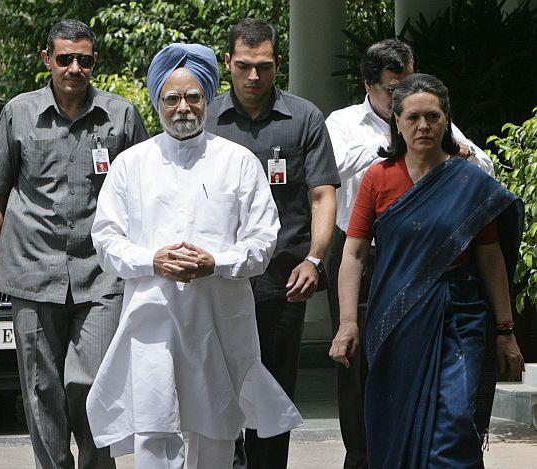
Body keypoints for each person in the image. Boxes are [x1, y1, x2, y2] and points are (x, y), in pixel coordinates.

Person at [85, 43, 303, 469]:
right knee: (154, 433)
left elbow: (263, 240)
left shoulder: (238, 162)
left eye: (193, 97)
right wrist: (153, 261)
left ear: (207, 99)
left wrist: (216, 263)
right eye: (171, 98)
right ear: (157, 103)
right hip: (153, 323)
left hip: (218, 321)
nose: (182, 106)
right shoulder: (131, 165)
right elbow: (106, 240)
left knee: (217, 435)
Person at [0, 19, 149, 469]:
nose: (74, 68)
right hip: (32, 272)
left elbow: (146, 195)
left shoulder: (121, 116)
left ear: (94, 63)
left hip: (101, 275)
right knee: (39, 389)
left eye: (83, 60)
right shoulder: (19, 113)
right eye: (65, 58)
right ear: (46, 59)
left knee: (91, 386)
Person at [329, 73, 524, 468]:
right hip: (396, 320)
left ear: (446, 120)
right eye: (413, 117)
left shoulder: (468, 181)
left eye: (433, 117)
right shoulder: (378, 178)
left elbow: (490, 257)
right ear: (396, 123)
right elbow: (353, 254)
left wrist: (505, 331)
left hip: (460, 317)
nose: (424, 126)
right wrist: (348, 324)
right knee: (395, 421)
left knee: (455, 424)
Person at [205, 18, 340, 469]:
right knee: (219, 386)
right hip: (216, 280)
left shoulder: (303, 118)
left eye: (263, 66)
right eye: (243, 66)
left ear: (278, 64)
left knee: (274, 388)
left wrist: (315, 259)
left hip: (283, 280)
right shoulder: (204, 117)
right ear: (227, 62)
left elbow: (323, 196)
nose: (253, 76)